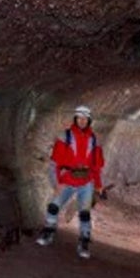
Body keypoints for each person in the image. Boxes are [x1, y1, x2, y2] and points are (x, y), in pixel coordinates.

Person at [36, 105, 106, 259]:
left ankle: (84, 241)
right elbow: (55, 164)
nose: (82, 121)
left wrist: (99, 185)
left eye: (85, 119)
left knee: (85, 213)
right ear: (75, 119)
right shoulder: (64, 137)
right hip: (67, 180)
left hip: (86, 181)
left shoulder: (94, 140)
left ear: (89, 120)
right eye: (79, 118)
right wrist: (57, 183)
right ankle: (49, 231)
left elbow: (96, 167)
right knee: (54, 206)